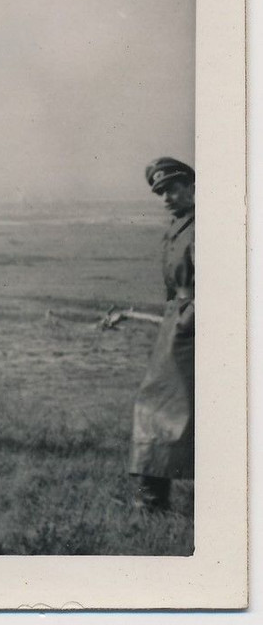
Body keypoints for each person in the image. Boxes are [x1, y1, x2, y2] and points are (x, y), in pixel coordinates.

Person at [129, 157, 195, 512]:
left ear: (191, 186)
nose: (167, 197)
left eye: (173, 188)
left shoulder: (203, 226)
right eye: (161, 192)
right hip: (179, 324)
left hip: (194, 327)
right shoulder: (179, 226)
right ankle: (153, 497)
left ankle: (152, 500)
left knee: (156, 407)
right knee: (163, 408)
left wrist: (188, 320)